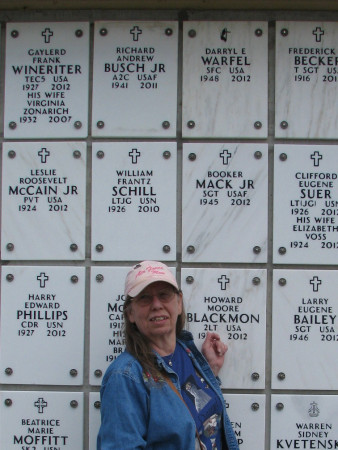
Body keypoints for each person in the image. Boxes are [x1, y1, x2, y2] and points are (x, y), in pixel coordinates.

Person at [97, 261, 239, 450]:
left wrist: (209, 370)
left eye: (164, 295)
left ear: (179, 303)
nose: (156, 305)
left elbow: (197, 412)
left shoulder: (186, 352)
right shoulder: (125, 377)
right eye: (144, 298)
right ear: (130, 313)